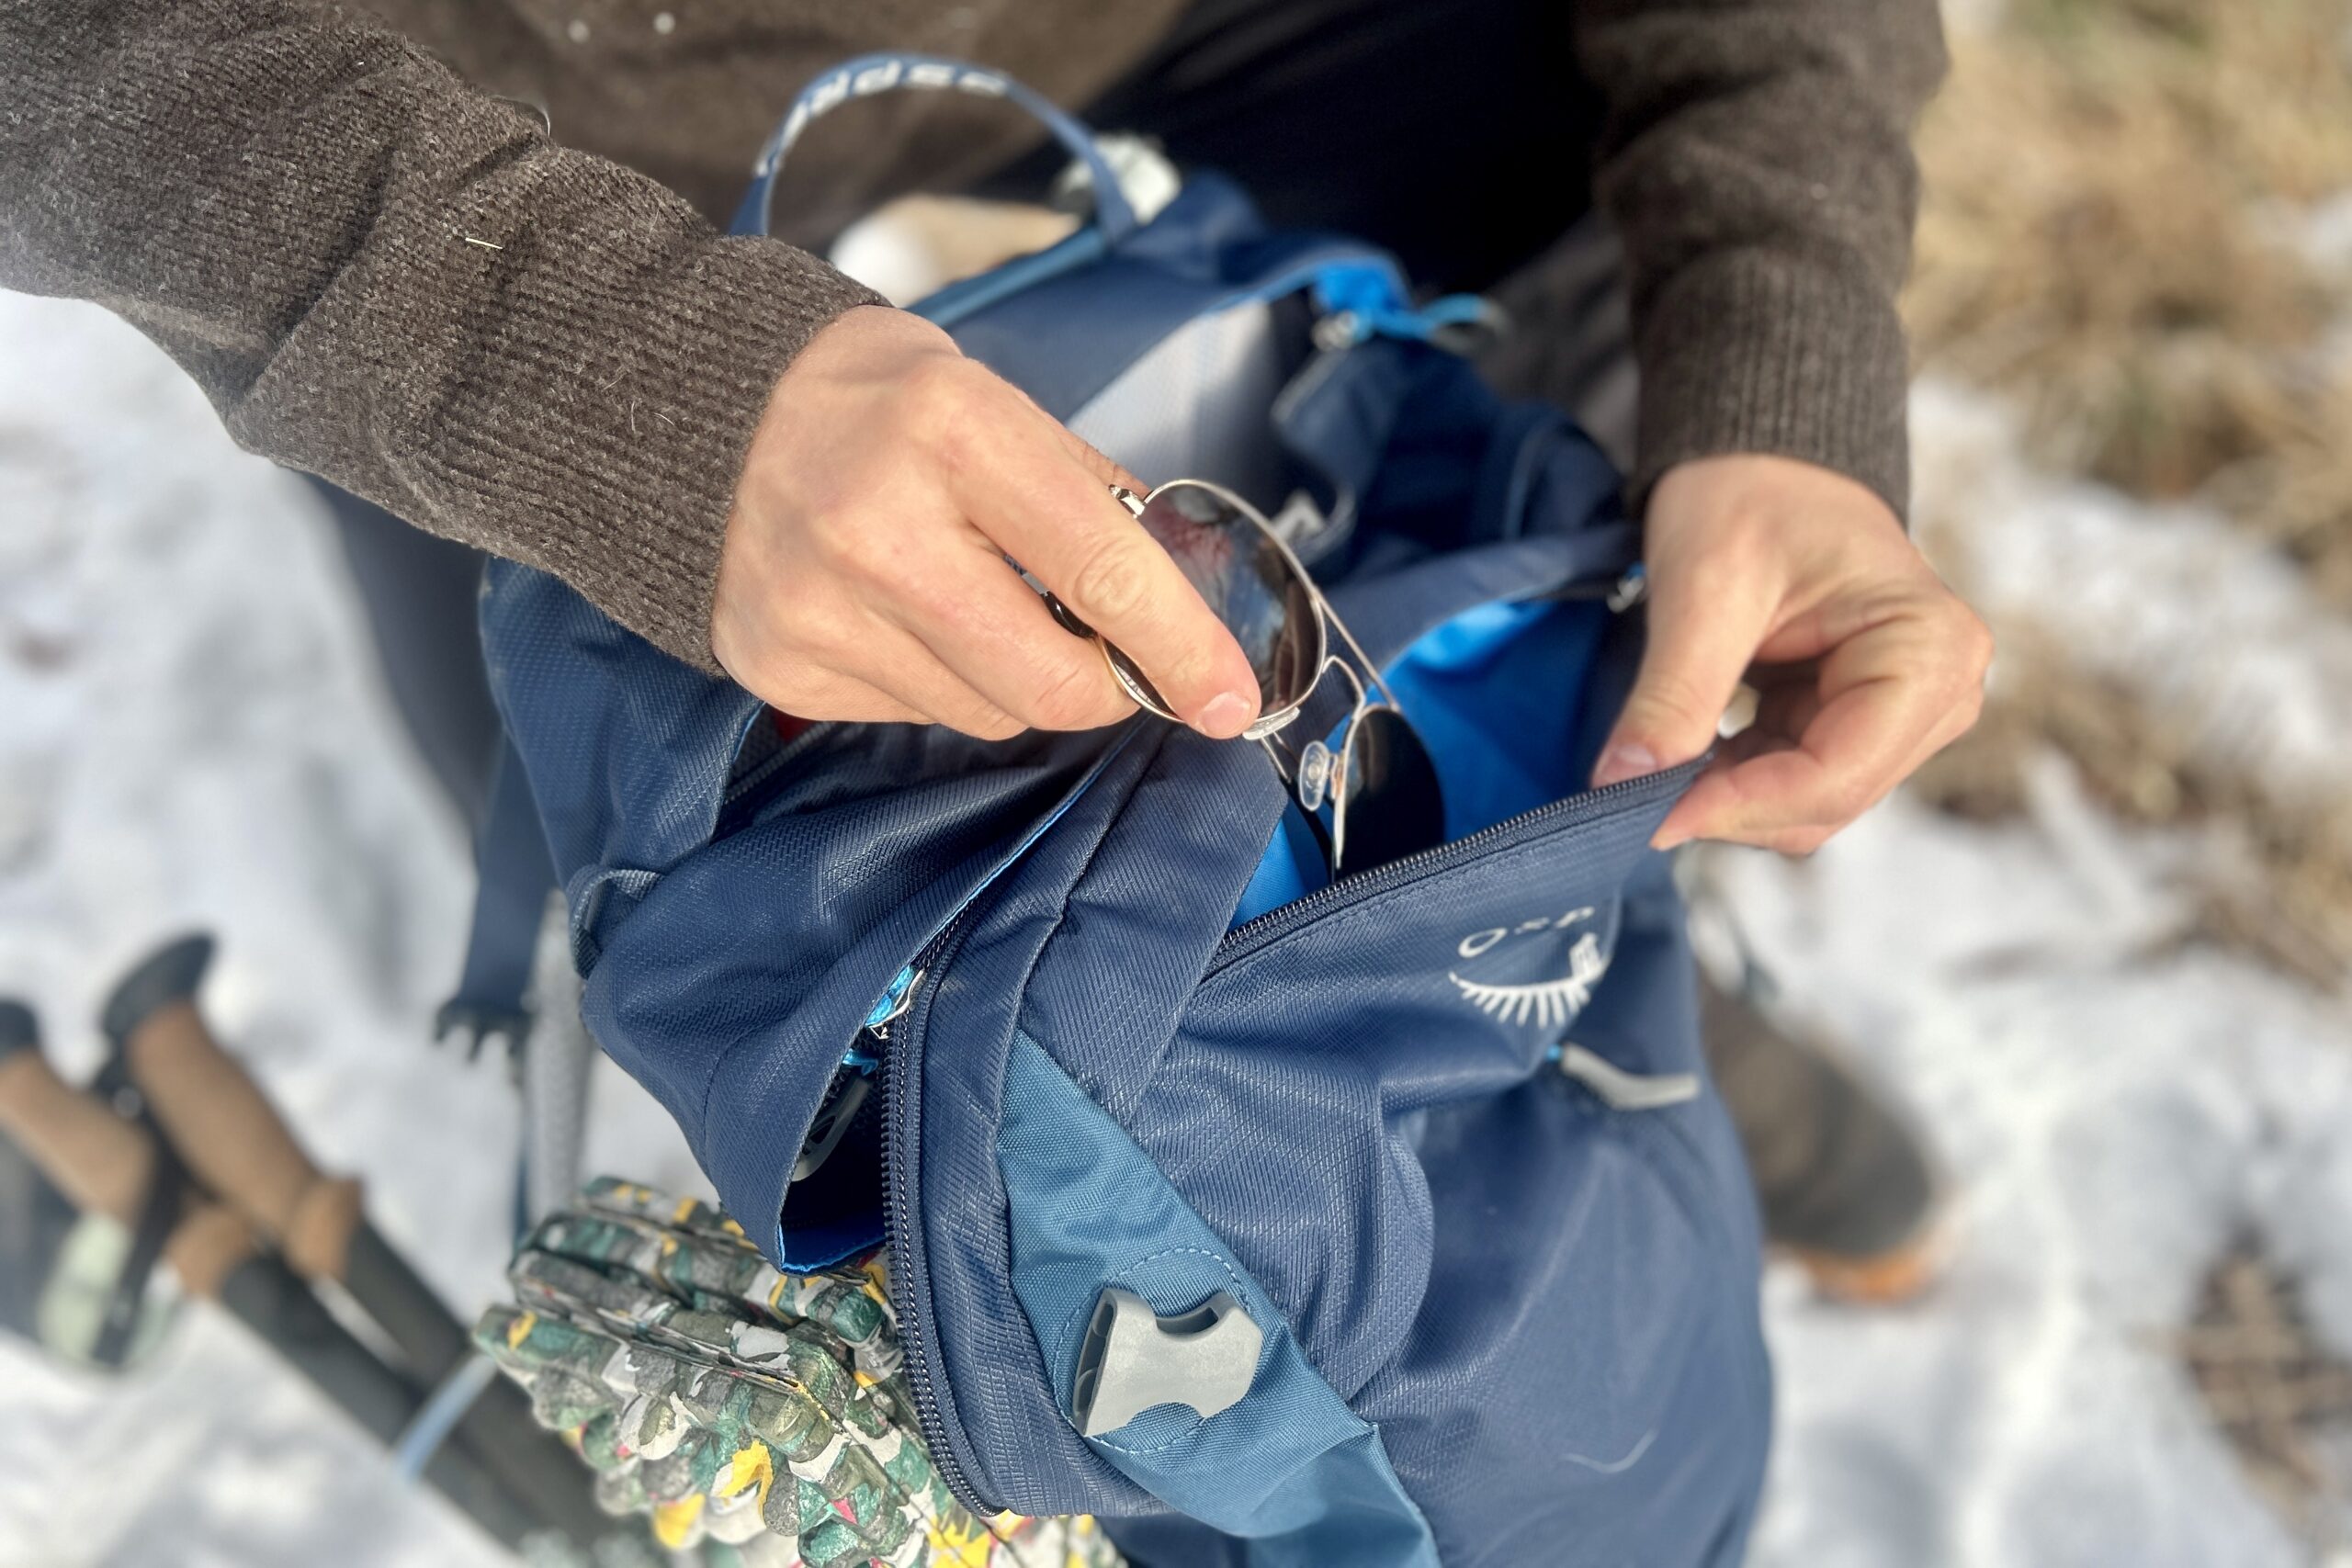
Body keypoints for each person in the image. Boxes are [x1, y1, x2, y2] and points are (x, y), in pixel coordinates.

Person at [4, 0, 1979, 1399]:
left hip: (1182, 28)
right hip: (438, 103)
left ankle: (1488, 884)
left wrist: (1777, 328)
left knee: (1522, 320)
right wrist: (577, 380)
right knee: (629, 854)